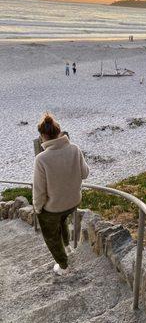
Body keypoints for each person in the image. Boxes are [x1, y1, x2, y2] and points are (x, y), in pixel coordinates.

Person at [33, 113, 89, 276]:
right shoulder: (74, 148)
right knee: (62, 220)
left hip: (54, 207)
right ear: (59, 132)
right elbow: (85, 174)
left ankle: (63, 265)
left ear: (43, 136)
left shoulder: (41, 159)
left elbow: (39, 191)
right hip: (73, 202)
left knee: (51, 236)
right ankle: (67, 247)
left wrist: (37, 209)